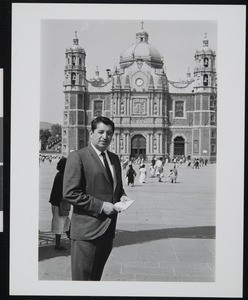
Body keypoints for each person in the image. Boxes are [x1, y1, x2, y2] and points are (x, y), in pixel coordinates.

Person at [63, 116, 126, 281]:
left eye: (110, 133)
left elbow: (115, 186)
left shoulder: (114, 158)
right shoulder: (78, 156)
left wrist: (122, 195)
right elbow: (70, 193)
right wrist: (101, 206)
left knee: (95, 280)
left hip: (108, 231)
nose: (105, 136)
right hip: (86, 232)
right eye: (101, 132)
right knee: (82, 282)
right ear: (91, 133)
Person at [49, 157, 71, 250]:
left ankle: (73, 240)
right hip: (59, 204)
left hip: (58, 203)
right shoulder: (62, 176)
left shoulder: (60, 174)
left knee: (66, 223)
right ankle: (58, 245)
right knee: (60, 224)